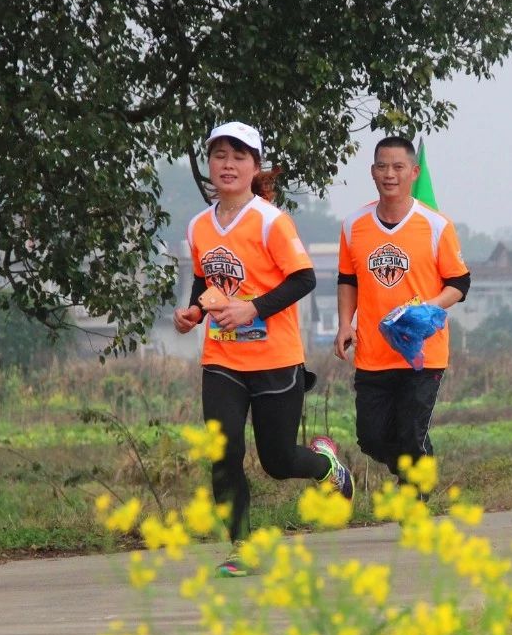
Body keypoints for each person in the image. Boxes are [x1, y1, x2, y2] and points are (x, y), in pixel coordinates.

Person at [174, 121, 353, 576]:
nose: (228, 165)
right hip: (222, 359)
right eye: (219, 156)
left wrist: (253, 309)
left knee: (277, 461)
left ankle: (326, 466)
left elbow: (304, 278)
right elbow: (205, 280)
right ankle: (241, 548)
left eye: (238, 156)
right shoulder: (199, 226)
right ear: (209, 165)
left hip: (276, 359)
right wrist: (194, 311)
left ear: (255, 167)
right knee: (224, 452)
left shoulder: (271, 221)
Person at [333, 136, 470, 489]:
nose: (389, 174)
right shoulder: (354, 225)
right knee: (371, 438)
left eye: (398, 167)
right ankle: (418, 468)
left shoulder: (437, 225)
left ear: (414, 172)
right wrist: (344, 324)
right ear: (372, 172)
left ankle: (414, 494)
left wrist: (429, 307)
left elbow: (459, 283)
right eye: (382, 166)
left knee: (411, 434)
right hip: (373, 354)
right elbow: (348, 279)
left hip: (422, 354)